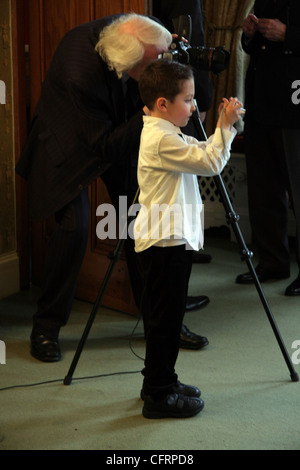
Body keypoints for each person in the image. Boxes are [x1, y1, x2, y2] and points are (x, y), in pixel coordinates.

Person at [15, 13, 207, 363]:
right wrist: (152, 111)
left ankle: (161, 324)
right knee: (74, 228)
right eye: (154, 61)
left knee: (140, 220)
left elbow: (151, 59)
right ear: (128, 62)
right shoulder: (80, 72)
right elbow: (101, 146)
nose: (160, 65)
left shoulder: (133, 31)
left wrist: (168, 62)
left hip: (118, 134)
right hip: (69, 145)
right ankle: (46, 327)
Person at [135, 59, 242, 418]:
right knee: (166, 321)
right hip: (165, 243)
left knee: (167, 317)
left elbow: (201, 149)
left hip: (169, 240)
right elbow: (211, 162)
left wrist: (219, 129)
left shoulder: (165, 129)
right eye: (188, 99)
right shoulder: (161, 139)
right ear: (163, 104)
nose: (194, 105)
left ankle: (160, 378)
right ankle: (159, 395)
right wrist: (225, 127)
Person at [236, 0, 300, 296]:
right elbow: (251, 47)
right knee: (263, 187)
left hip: (295, 103)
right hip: (261, 100)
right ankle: (272, 261)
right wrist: (249, 33)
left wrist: (288, 33)